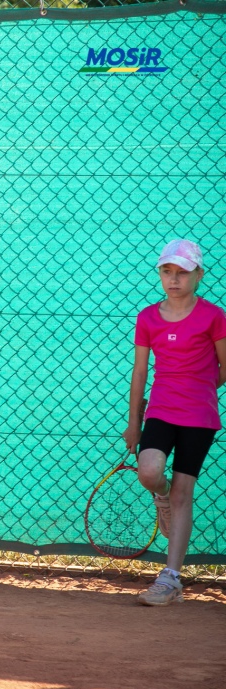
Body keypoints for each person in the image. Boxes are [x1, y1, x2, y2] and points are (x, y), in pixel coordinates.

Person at [123, 239, 226, 606]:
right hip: (161, 410)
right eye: (167, 271)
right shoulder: (148, 317)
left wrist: (199, 391)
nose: (174, 279)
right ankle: (161, 496)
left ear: (199, 274)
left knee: (186, 492)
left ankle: (170, 578)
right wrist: (134, 422)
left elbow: (223, 367)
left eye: (183, 272)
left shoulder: (214, 316)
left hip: (200, 417)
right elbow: (139, 373)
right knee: (149, 472)